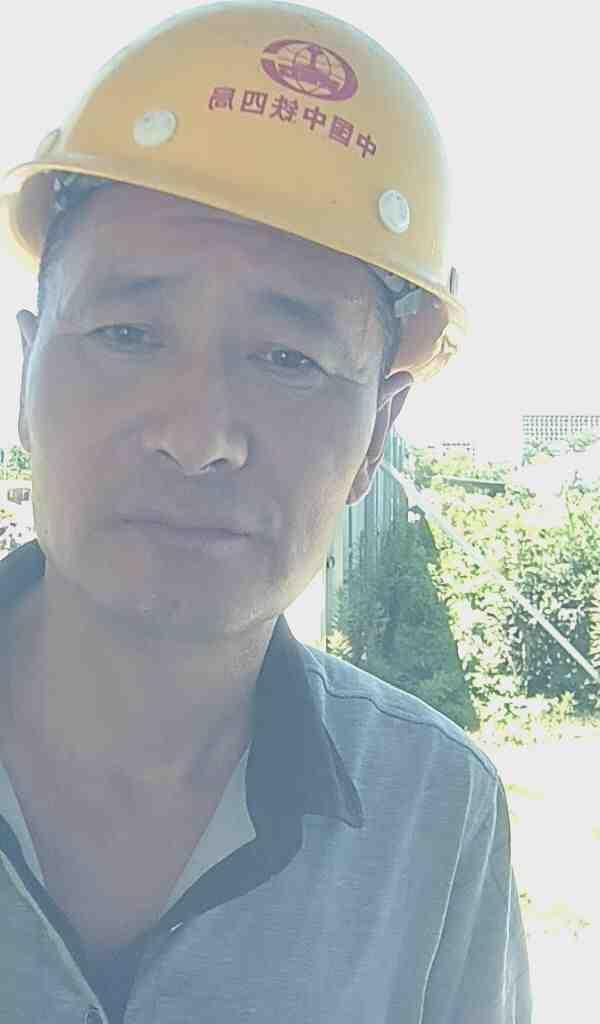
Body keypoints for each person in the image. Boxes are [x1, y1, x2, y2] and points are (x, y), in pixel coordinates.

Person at [0, 3, 532, 1021]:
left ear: (376, 437)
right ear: (27, 374)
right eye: (127, 334)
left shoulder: (435, 813)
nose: (198, 436)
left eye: (289, 358)